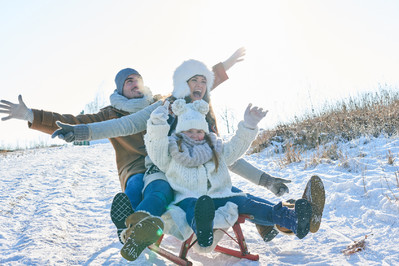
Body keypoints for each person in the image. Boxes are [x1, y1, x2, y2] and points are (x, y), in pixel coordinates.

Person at [0, 48, 246, 244]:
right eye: (128, 82)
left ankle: (139, 226)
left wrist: (225, 66)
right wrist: (32, 115)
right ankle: (128, 226)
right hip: (134, 167)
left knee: (170, 187)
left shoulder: (162, 102)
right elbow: (76, 121)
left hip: (167, 161)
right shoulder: (112, 113)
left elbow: (196, 86)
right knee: (138, 184)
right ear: (120, 88)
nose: (134, 84)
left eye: (137, 79)